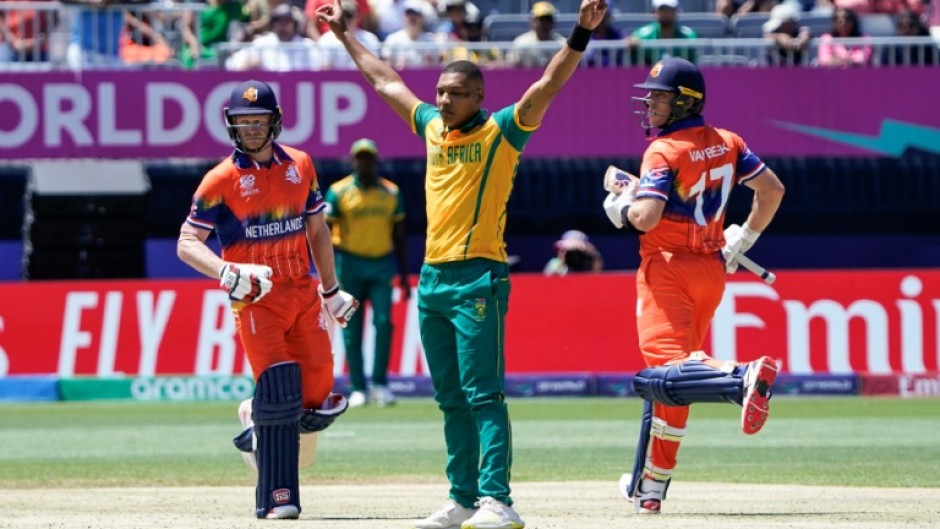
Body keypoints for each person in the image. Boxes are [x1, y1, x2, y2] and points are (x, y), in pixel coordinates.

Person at [315, 0, 608, 527]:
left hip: (479, 276)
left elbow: (548, 83)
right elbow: (385, 82)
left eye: (455, 93)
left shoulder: (502, 132)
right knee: (449, 398)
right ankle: (463, 498)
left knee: (484, 395)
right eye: (441, 93)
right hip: (433, 279)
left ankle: (500, 501)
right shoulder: (430, 128)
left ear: (479, 97)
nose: (444, 100)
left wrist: (582, 33)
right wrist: (344, 34)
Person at [602, 57, 785, 515]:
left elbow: (647, 218)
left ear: (685, 101)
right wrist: (743, 237)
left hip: (667, 268)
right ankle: (651, 486)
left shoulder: (663, 151)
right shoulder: (728, 141)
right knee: (671, 383)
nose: (650, 104)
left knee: (660, 374)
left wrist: (621, 208)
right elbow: (773, 190)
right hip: (712, 269)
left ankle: (741, 378)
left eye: (660, 97)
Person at [177, 80, 359, 519]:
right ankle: (276, 476)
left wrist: (331, 290)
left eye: (258, 122)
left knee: (317, 394)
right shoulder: (220, 179)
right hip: (256, 299)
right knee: (279, 385)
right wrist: (226, 271)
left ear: (274, 121)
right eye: (243, 122)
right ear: (231, 126)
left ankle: (254, 417)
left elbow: (317, 230)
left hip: (302, 292)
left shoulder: (301, 164)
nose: (251, 130)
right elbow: (187, 242)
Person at [324, 138, 410, 408]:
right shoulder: (338, 192)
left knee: (384, 322)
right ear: (352, 161)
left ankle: (381, 384)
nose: (364, 162)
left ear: (376, 160)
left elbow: (399, 236)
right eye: (359, 158)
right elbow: (323, 233)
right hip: (349, 264)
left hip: (382, 264)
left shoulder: (391, 192)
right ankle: (359, 387)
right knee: (352, 328)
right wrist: (327, 275)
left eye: (369, 158)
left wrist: (405, 277)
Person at [225, 4, 323, 71]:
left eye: (287, 21)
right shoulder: (262, 43)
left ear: (294, 24)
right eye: (279, 21)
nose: (283, 25)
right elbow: (231, 64)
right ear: (273, 24)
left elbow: (322, 68)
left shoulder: (306, 45)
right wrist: (248, 63)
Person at [628, 0, 698, 66]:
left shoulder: (688, 36)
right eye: (662, 9)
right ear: (654, 12)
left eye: (670, 9)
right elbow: (632, 39)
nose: (666, 13)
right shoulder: (642, 35)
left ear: (677, 11)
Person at [507, 1, 566, 67]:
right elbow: (512, 66)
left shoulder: (562, 44)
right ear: (533, 21)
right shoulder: (521, 43)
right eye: (541, 19)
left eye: (548, 19)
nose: (545, 23)